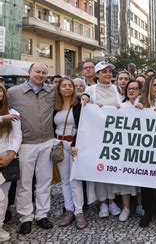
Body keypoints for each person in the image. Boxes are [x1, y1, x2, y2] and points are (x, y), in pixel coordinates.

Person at [7, 63, 55, 234]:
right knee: (25, 183)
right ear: (29, 73)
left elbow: (71, 95)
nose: (40, 75)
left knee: (45, 180)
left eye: (44, 72)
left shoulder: (52, 90)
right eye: (37, 71)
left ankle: (42, 214)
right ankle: (25, 217)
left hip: (47, 142)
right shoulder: (14, 92)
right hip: (26, 144)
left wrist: (85, 95)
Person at [84, 61, 122, 219]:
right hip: (96, 137)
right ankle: (102, 203)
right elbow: (86, 111)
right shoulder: (90, 90)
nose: (108, 74)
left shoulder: (115, 88)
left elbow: (121, 108)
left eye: (109, 71)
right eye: (104, 71)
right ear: (97, 74)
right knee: (99, 169)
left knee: (111, 169)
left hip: (113, 137)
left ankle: (112, 200)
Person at [53, 78, 87, 229]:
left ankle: (79, 212)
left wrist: (75, 144)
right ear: (59, 88)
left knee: (75, 180)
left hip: (73, 145)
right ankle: (69, 210)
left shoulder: (79, 105)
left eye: (70, 86)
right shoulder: (55, 105)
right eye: (64, 86)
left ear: (74, 89)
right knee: (65, 180)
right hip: (58, 144)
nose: (67, 88)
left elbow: (83, 127)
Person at [139, 75, 156, 227]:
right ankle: (147, 212)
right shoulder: (140, 102)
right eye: (155, 85)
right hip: (146, 147)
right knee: (146, 181)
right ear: (149, 86)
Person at [114, 80, 141, 221]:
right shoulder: (121, 106)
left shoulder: (145, 106)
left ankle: (141, 205)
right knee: (124, 177)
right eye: (129, 89)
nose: (131, 91)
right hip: (125, 148)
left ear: (140, 91)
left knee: (142, 177)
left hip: (141, 149)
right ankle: (126, 208)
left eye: (135, 89)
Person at [0, 83, 21, 241]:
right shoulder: (5, 116)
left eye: (0, 90)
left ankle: (0, 226)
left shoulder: (12, 113)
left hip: (6, 158)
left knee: (4, 195)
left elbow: (17, 136)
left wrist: (11, 155)